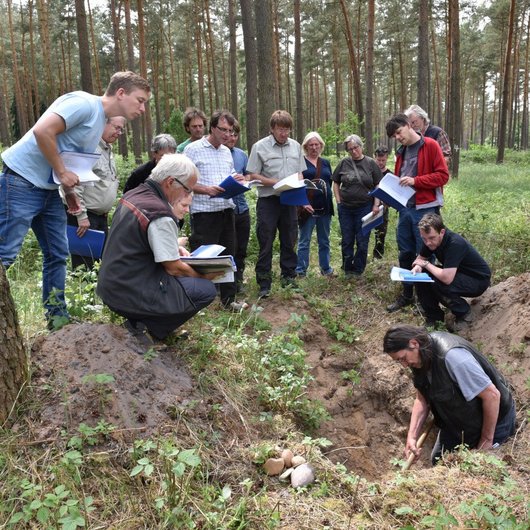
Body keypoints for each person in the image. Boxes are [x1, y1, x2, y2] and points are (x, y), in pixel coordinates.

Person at [0, 71, 150, 327]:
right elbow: (42, 131)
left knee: (57, 254)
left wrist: (71, 195)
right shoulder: (83, 104)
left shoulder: (99, 122)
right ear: (121, 93)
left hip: (48, 190)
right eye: (140, 100)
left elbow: (69, 158)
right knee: (5, 253)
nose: (143, 109)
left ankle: (57, 318)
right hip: (22, 182)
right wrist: (61, 172)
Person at [97, 154, 218, 350]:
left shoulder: (134, 195)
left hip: (112, 284)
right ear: (170, 182)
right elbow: (173, 268)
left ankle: (147, 326)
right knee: (204, 290)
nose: (187, 194)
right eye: (187, 188)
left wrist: (172, 245)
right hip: (129, 291)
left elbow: (138, 240)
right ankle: (142, 330)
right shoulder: (159, 212)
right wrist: (205, 275)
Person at [383, 325, 516, 465]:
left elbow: (492, 396)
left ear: (414, 343)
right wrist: (412, 437)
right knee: (438, 462)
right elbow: (421, 399)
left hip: (494, 423)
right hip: (457, 424)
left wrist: (486, 443)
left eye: (403, 358)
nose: (404, 365)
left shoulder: (452, 357)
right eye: (398, 361)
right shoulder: (418, 358)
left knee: (474, 471)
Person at [184, 109, 247, 311]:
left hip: (226, 210)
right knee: (204, 259)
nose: (228, 135)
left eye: (230, 131)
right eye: (223, 130)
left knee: (229, 256)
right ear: (212, 128)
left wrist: (236, 179)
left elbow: (229, 174)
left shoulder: (226, 152)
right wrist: (205, 189)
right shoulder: (193, 149)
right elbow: (183, 181)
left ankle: (229, 301)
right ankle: (199, 301)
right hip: (204, 213)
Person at [385, 113, 449, 312]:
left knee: (425, 254)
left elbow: (442, 176)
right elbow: (400, 181)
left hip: (425, 209)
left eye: (398, 132)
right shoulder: (401, 152)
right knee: (405, 253)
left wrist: (416, 181)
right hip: (405, 210)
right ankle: (407, 295)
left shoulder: (429, 145)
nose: (398, 137)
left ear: (408, 125)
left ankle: (427, 302)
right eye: (394, 136)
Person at [247, 110, 307, 299]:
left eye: (287, 129)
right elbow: (252, 175)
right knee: (266, 241)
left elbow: (300, 173)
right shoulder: (259, 147)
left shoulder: (296, 146)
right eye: (280, 129)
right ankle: (264, 282)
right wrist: (275, 182)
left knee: (289, 239)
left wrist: (297, 181)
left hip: (290, 200)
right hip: (268, 201)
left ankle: (289, 277)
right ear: (272, 129)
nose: (284, 133)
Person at [63, 115, 126, 269]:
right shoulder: (89, 148)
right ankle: (84, 292)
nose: (119, 132)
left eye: (121, 130)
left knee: (101, 264)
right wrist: (81, 216)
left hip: (100, 217)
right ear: (103, 124)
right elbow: (74, 186)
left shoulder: (107, 149)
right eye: (116, 127)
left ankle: (96, 293)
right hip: (85, 218)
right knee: (84, 266)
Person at [411, 213, 491, 329]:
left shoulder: (455, 243)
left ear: (442, 232)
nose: (428, 243)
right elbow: (420, 259)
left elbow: (447, 278)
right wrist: (417, 267)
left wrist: (425, 264)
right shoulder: (430, 240)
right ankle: (433, 317)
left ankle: (464, 313)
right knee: (421, 276)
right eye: (424, 238)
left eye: (431, 238)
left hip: (477, 280)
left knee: (440, 282)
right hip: (458, 273)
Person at [332, 134, 382, 277]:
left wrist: (376, 205)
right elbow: (335, 181)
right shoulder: (343, 163)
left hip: (365, 207)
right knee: (347, 239)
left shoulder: (371, 163)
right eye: (350, 149)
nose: (354, 151)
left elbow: (378, 184)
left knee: (362, 239)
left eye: (356, 147)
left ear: (361, 146)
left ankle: (358, 269)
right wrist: (338, 200)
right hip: (346, 208)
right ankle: (347, 269)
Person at [295, 131, 334, 277]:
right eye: (311, 145)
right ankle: (301, 271)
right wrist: (303, 203)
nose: (314, 147)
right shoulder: (301, 162)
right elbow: (298, 184)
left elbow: (329, 183)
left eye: (316, 144)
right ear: (306, 146)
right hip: (307, 208)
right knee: (304, 241)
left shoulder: (326, 163)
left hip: (325, 208)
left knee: (324, 240)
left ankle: (326, 269)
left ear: (321, 145)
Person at [224, 119, 250, 293]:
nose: (232, 138)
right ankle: (225, 283)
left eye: (235, 134)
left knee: (241, 247)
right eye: (229, 134)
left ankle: (238, 279)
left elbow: (248, 176)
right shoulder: (218, 153)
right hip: (226, 208)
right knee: (228, 247)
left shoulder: (241, 155)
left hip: (243, 208)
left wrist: (245, 179)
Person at [372, 145, 391, 259]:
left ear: (387, 158)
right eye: (378, 160)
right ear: (375, 158)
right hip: (368, 205)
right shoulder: (370, 170)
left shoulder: (389, 174)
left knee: (381, 233)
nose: (380, 162)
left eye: (383, 160)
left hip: (383, 208)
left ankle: (378, 256)